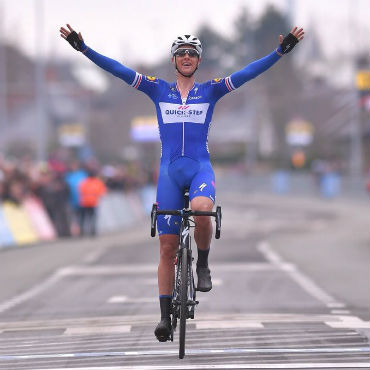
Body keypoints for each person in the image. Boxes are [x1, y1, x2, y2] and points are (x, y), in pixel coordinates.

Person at [60, 24, 304, 341]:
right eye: (181, 53)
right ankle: (164, 317)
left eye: (192, 53)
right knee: (167, 247)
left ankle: (202, 264)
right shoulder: (158, 90)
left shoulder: (211, 90)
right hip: (170, 173)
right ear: (174, 60)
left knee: (203, 209)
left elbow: (247, 74)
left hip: (199, 168)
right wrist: (85, 49)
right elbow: (119, 70)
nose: (187, 57)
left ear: (199, 61)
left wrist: (279, 52)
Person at [78, 168, 107, 236]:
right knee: (93, 218)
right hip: (93, 202)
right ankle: (92, 231)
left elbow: (80, 191)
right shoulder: (98, 182)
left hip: (84, 202)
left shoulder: (84, 182)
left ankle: (82, 232)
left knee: (83, 218)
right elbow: (102, 193)